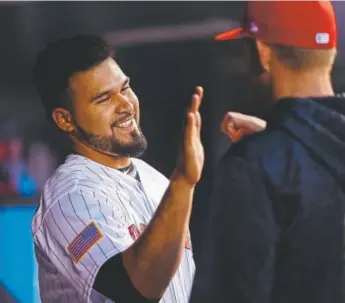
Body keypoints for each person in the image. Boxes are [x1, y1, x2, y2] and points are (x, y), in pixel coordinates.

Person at [191, 1, 345, 302]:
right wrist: (285, 142)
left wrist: (273, 151)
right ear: (330, 51)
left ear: (262, 52)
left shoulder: (253, 167)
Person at [31, 35, 204, 303]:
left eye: (124, 88)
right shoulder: (72, 195)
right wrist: (183, 181)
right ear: (65, 120)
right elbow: (134, 292)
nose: (126, 106)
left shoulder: (154, 179)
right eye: (103, 99)